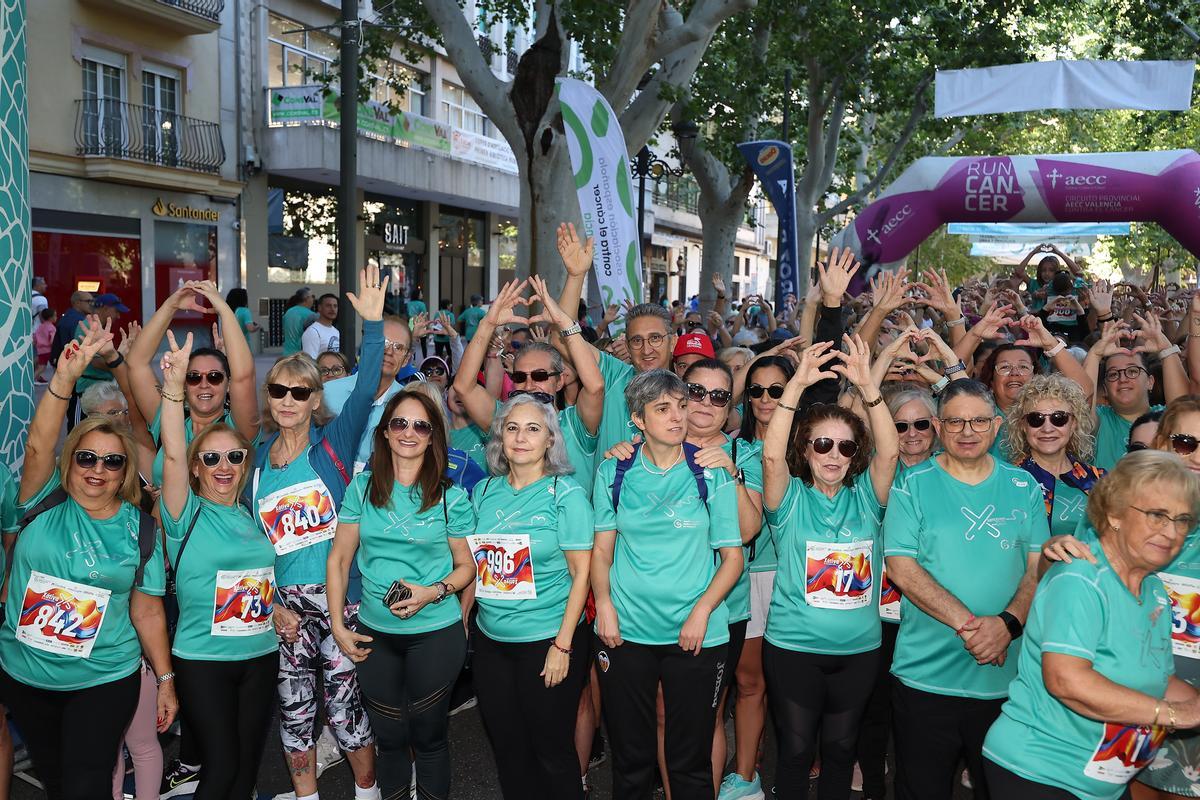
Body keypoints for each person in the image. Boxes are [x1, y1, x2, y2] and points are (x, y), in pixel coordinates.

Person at [0, 321, 176, 800]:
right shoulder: (40, 501)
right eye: (87, 458)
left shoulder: (142, 529)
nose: (98, 469)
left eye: (113, 461)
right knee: (59, 781)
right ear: (70, 460)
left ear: (126, 471)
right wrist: (63, 379)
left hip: (104, 679)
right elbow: (38, 444)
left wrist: (165, 680)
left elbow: (147, 612)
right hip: (26, 677)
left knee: (87, 783)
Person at [982, 451, 1200, 800]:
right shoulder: (1081, 578)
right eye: (1157, 515)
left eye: (1182, 520)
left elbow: (1157, 677)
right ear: (1114, 513)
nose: (1171, 532)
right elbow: (1066, 680)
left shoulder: (1154, 590)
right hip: (1042, 774)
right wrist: (1173, 714)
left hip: (1101, 783)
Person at [251, 265, 388, 800]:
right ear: (269, 396)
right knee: (295, 714)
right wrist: (269, 605)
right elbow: (250, 546)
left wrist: (372, 325)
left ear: (315, 398)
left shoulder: (332, 445)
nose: (287, 399)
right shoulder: (256, 462)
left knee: (347, 709)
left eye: (299, 391)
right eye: (278, 390)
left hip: (340, 602)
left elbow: (366, 387)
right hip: (285, 608)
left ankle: (367, 793)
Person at [883, 379, 1046, 800]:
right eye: (955, 422)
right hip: (925, 679)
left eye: (978, 421)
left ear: (996, 425)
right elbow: (901, 568)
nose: (967, 431)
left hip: (1006, 682)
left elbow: (1038, 567)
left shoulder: (1024, 486)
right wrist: (976, 629)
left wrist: (1007, 625)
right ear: (938, 427)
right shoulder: (911, 484)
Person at [591, 369, 743, 799]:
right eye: (662, 409)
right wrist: (604, 605)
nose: (678, 416)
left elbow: (732, 559)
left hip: (696, 635)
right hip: (626, 633)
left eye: (680, 406)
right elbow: (601, 551)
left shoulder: (709, 470)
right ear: (638, 419)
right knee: (631, 759)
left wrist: (702, 612)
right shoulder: (614, 471)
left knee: (689, 761)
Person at [760, 337, 898, 800]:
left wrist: (868, 387)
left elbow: (890, 454)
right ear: (806, 449)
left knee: (841, 751)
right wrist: (795, 386)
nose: (834, 455)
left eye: (845, 446)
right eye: (822, 444)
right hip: (794, 650)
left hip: (859, 652)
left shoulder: (868, 499)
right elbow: (771, 457)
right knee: (797, 753)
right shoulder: (790, 499)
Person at [327, 390, 475, 799]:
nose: (409, 432)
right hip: (375, 635)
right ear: (385, 433)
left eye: (421, 426)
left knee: (428, 737)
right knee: (390, 739)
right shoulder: (362, 488)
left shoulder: (450, 496)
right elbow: (339, 559)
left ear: (432, 437)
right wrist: (338, 625)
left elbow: (467, 567)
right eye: (400, 423)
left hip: (436, 633)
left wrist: (432, 591)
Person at [157, 331, 280, 800]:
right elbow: (172, 450)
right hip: (204, 661)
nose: (223, 466)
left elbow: (254, 583)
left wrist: (277, 609)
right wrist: (174, 389)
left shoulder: (250, 514)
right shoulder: (184, 514)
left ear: (245, 463)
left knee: (246, 771)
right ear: (195, 467)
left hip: (261, 655)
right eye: (211, 458)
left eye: (234, 456)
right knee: (222, 766)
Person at [467, 395, 595, 799]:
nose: (521, 437)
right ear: (500, 438)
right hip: (492, 643)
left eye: (532, 429)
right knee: (509, 753)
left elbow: (582, 574)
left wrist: (563, 645)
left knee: (552, 752)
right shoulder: (483, 492)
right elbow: (474, 565)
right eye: (512, 428)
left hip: (548, 640)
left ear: (549, 440)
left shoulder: (565, 494)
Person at [853, 384, 939, 800]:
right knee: (875, 704)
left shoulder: (952, 471)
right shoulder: (875, 471)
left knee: (923, 711)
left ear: (936, 426)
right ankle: (872, 784)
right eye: (900, 426)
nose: (912, 433)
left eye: (921, 424)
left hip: (933, 611)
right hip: (880, 610)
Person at [721, 354, 796, 800]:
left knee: (791, 687)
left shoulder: (813, 444)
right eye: (756, 390)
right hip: (746, 576)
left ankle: (777, 763)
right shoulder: (731, 448)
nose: (766, 398)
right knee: (748, 682)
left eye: (777, 390)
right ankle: (746, 775)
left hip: (795, 577)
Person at [452, 277, 603, 493]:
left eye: (540, 376)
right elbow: (463, 387)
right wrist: (487, 324)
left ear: (560, 381)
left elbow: (595, 387)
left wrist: (563, 322)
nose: (529, 385)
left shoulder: (574, 424)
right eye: (520, 377)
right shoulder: (503, 420)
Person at [128, 281, 259, 491]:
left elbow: (244, 377)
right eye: (193, 377)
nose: (204, 384)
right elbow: (136, 364)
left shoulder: (238, 428)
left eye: (214, 377)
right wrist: (171, 305)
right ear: (184, 384)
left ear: (228, 385)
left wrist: (224, 310)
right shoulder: (169, 418)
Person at [322, 313, 426, 471]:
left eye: (398, 347)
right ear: (367, 346)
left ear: (406, 359)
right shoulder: (328, 393)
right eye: (383, 342)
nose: (389, 351)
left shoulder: (406, 405)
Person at [1006, 374, 1104, 536]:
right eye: (1036, 419)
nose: (1047, 428)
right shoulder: (1009, 482)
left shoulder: (1099, 479)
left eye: (1059, 418)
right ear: (1023, 425)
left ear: (1074, 423)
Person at [1086, 316, 1184, 471]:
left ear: (1150, 382)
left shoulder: (1165, 417)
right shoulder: (1100, 419)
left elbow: (1184, 407)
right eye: (1113, 374)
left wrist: (1166, 349)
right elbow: (1082, 403)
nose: (1123, 379)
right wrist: (1094, 355)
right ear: (1105, 388)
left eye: (1132, 371)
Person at [302, 293, 341, 359]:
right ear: (320, 308)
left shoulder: (336, 331)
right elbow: (310, 361)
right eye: (328, 306)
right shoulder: (312, 332)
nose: (332, 309)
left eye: (335, 306)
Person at [282, 288, 317, 356]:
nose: (313, 299)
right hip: (302, 356)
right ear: (307, 298)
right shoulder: (311, 315)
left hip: (287, 354)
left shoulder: (288, 312)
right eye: (313, 296)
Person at [34, 307, 56, 384]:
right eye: (55, 316)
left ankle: (34, 379)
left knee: (41, 366)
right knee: (54, 366)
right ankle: (55, 382)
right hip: (49, 350)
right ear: (51, 318)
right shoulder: (52, 328)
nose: (56, 317)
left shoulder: (40, 327)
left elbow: (35, 338)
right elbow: (52, 340)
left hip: (40, 350)